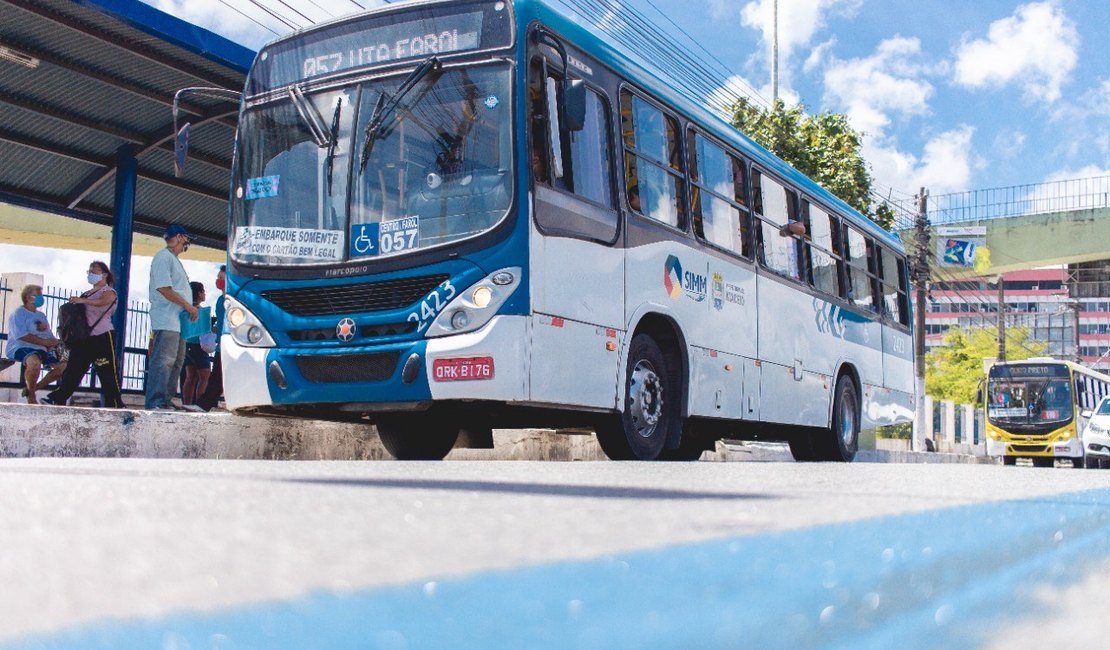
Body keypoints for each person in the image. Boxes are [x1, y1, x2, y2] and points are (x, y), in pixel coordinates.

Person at [43, 261, 124, 408]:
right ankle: (58, 397)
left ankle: (116, 403)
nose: (92, 273)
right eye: (90, 270)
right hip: (84, 338)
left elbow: (104, 302)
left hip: (102, 336)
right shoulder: (86, 293)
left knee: (107, 371)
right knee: (73, 370)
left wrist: (83, 301)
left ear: (104, 274)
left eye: (95, 270)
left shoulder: (108, 292)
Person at [145, 223, 198, 411]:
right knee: (163, 361)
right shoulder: (163, 258)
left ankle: (166, 400)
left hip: (177, 321)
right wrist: (187, 305)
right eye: (185, 239)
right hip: (166, 319)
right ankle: (155, 401)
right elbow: (163, 288)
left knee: (176, 362)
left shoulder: (173, 260)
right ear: (177, 237)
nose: (186, 243)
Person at [4, 284, 67, 404]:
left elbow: (48, 334)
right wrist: (45, 342)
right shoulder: (18, 313)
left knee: (63, 367)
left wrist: (55, 342)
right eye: (38, 295)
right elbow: (21, 335)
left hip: (42, 348)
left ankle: (32, 388)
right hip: (21, 347)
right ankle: (31, 396)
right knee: (34, 363)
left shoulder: (41, 315)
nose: (41, 297)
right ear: (28, 297)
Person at [196, 266, 226, 412]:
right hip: (221, 344)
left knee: (217, 377)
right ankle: (207, 402)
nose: (218, 281)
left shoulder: (233, 299)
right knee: (217, 377)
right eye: (218, 277)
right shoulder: (220, 300)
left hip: (229, 344)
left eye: (222, 278)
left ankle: (205, 403)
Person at [181, 281, 210, 409]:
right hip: (199, 346)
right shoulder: (201, 311)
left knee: (190, 377)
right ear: (199, 294)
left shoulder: (186, 309)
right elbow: (206, 330)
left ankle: (187, 403)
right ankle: (199, 404)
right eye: (203, 291)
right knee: (204, 376)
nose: (204, 294)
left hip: (187, 344)